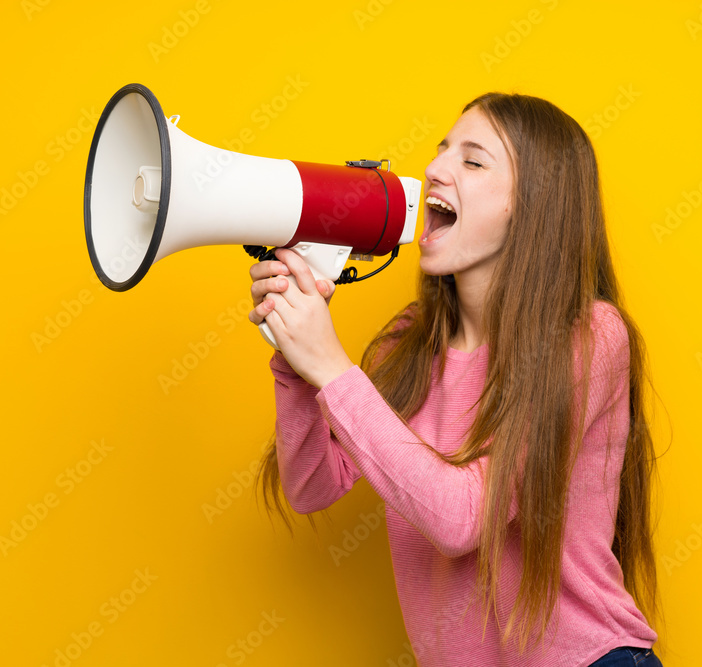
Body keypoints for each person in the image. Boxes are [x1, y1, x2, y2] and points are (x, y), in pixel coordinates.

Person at [246, 92, 665, 667]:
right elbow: (312, 485)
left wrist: (331, 367)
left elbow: (464, 519)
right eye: (442, 150)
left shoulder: (592, 336)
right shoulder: (409, 342)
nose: (435, 168)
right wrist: (297, 364)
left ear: (533, 205)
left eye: (473, 160)